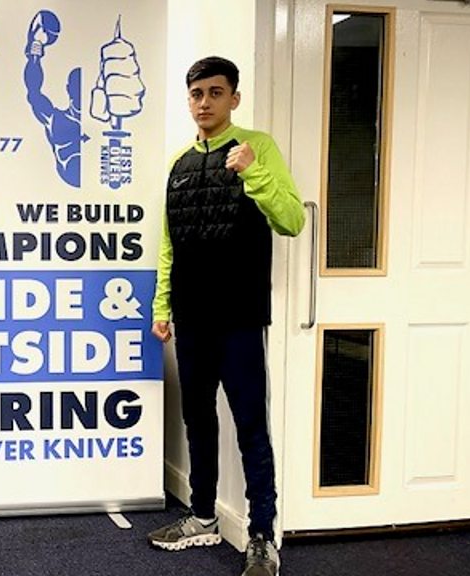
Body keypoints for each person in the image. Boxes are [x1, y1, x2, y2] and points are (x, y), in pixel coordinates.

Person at [146, 56, 305, 576]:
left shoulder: (257, 147)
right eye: (197, 93)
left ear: (234, 98)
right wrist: (162, 306)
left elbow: (292, 220)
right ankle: (202, 516)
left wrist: (252, 169)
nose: (205, 102)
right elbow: (168, 243)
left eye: (216, 92)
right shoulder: (178, 163)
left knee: (250, 425)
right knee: (198, 420)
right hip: (192, 318)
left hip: (239, 318)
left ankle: (262, 535)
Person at [23, 10, 86, 188]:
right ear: (68, 88)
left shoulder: (104, 120)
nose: (79, 91)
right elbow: (33, 92)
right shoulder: (56, 120)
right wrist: (35, 51)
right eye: (76, 85)